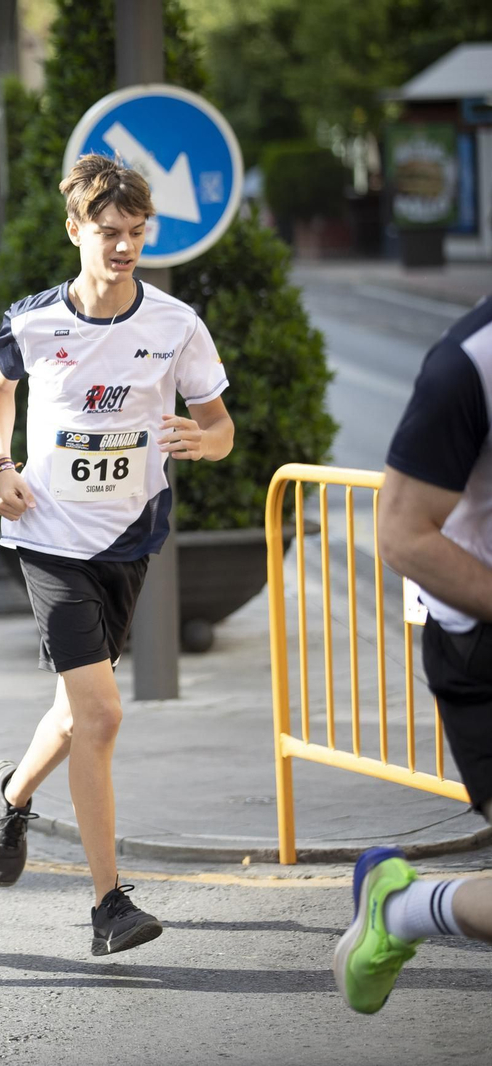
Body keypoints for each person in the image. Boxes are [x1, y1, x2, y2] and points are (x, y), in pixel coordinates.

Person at [0, 155, 234, 955]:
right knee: (102, 713)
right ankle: (108, 905)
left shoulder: (176, 325)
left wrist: (205, 443)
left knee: (74, 712)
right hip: (49, 538)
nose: (123, 247)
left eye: (135, 233)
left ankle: (13, 795)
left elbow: (220, 425)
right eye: (108, 232)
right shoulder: (35, 322)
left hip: (128, 539)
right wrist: (3, 465)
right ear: (75, 230)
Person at [333, 293, 492, 1014]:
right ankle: (401, 910)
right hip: (481, 647)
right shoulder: (468, 363)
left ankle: (402, 907)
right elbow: (401, 534)